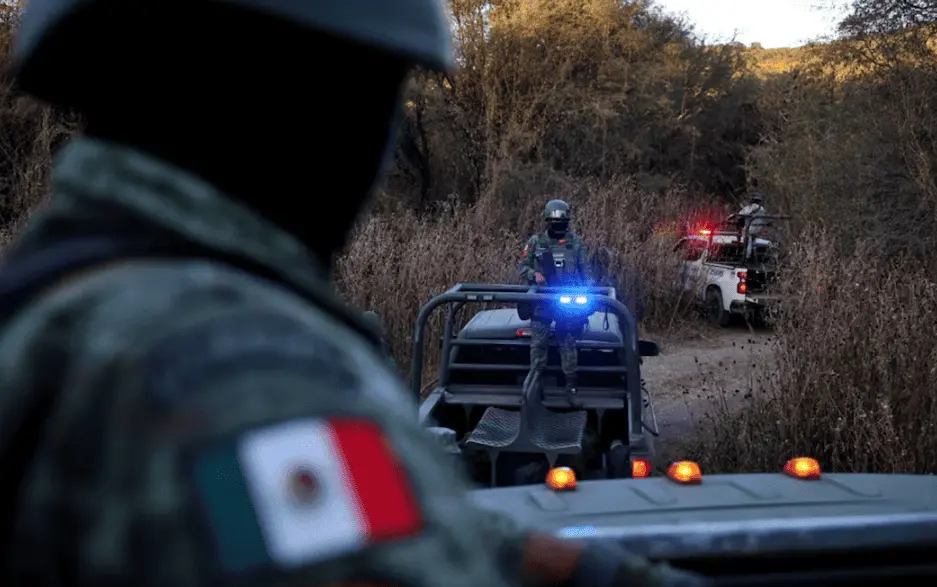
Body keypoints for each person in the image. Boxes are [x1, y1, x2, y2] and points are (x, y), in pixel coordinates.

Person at [0, 1, 709, 587]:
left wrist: (593, 571)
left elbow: (360, 527)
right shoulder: (240, 365)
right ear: (321, 101)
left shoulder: (61, 299)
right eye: (386, 95)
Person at [519, 199, 593, 408]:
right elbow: (523, 267)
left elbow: (586, 271)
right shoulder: (536, 242)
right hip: (542, 300)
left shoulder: (575, 243)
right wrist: (535, 274)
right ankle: (536, 386)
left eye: (562, 222)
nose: (559, 226)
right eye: (554, 222)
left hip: (567, 301)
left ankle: (570, 387)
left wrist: (588, 293)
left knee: (568, 342)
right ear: (547, 221)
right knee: (538, 343)